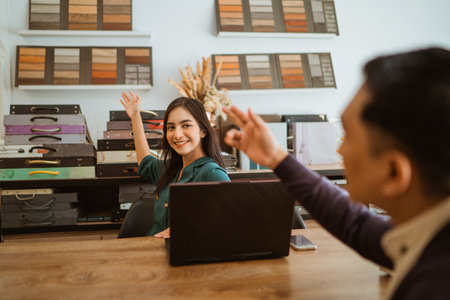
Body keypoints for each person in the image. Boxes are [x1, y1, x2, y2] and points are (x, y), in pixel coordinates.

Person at [223, 47, 449, 300]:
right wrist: (277, 158)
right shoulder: (429, 237)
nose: (340, 148)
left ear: (394, 173)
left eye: (348, 135)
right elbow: (355, 223)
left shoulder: (434, 285)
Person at [120, 92, 230, 238]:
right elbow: (145, 162)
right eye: (171, 128)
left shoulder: (212, 173)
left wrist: (187, 229)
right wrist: (135, 117)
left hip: (184, 254)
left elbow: (232, 221)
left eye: (186, 125)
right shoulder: (170, 169)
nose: (177, 134)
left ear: (203, 131)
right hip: (152, 249)